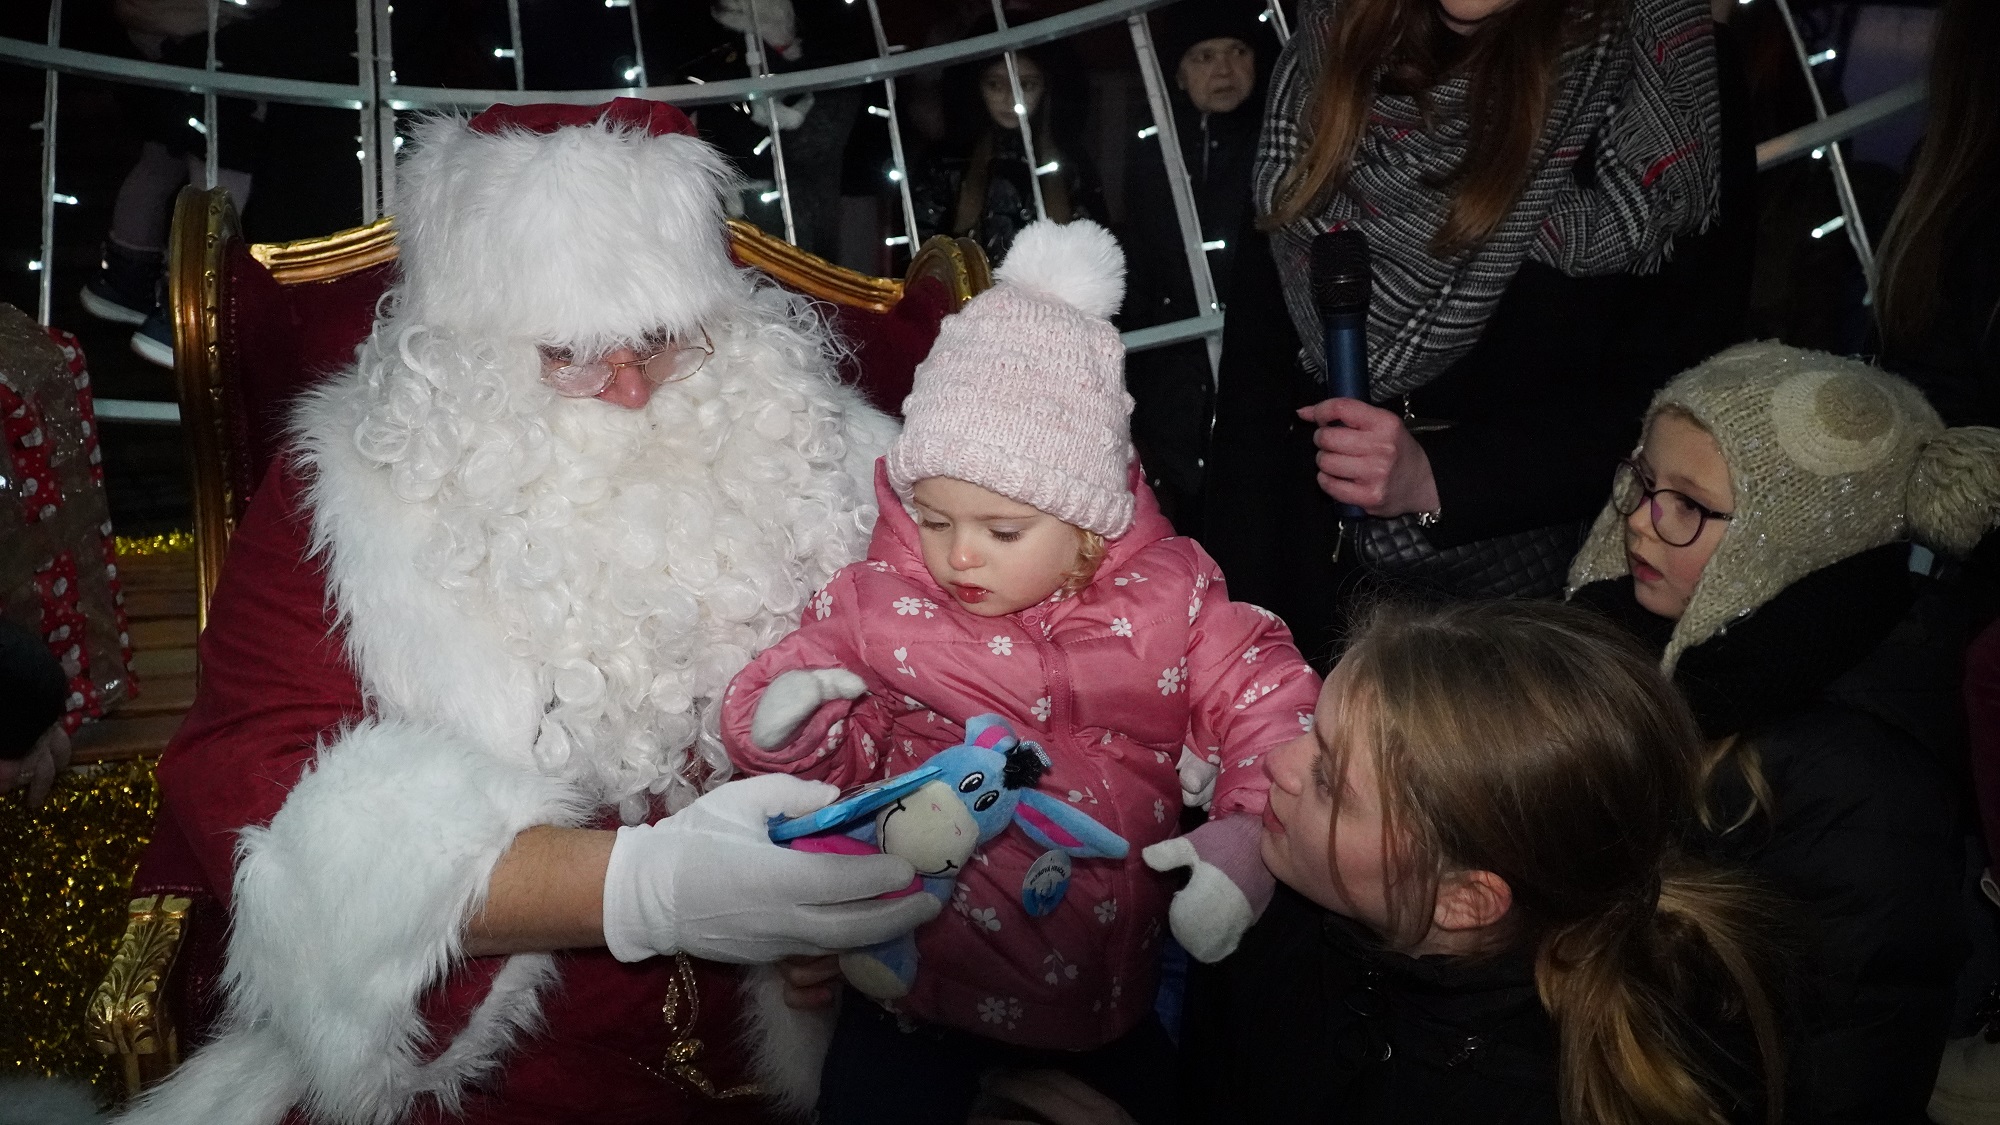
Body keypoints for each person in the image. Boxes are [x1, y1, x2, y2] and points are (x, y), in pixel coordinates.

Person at [114, 99, 942, 1125]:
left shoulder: (844, 457)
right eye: (572, 353)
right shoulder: (347, 490)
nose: (633, 390)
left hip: (844, 1025)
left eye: (663, 338)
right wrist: (641, 888)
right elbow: (260, 787)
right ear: (464, 349)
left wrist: (872, 899)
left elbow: (986, 700)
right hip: (500, 1043)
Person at [720, 220, 1320, 1125]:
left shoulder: (1177, 598)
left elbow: (1271, 704)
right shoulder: (879, 601)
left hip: (1101, 1008)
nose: (959, 554)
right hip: (911, 998)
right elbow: (823, 764)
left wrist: (1244, 836)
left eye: (1002, 532)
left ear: (1085, 524)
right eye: (932, 517)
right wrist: (796, 724)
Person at [1202, 0, 1755, 664]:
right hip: (1311, 596)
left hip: (1534, 623)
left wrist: (1443, 476)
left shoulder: (1657, 65)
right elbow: (1254, 390)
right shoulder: (1331, 49)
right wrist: (1233, 642)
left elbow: (1684, 391)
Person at [1566, 343, 2000, 1122]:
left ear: (1790, 544)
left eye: (1688, 504)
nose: (1638, 519)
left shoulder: (1865, 788)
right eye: (1643, 480)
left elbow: (1851, 1064)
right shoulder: (1646, 649)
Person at [1183, 598, 1783, 1123]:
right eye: (1312, 728)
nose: (1276, 764)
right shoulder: (1291, 912)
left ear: (1462, 900)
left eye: (1328, 779)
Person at [1121, 1, 1272, 530]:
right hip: (1172, 370)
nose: (1225, 69)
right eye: (1205, 56)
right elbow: (1138, 262)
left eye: (1238, 51)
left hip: (1258, 350)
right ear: (1179, 73)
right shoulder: (1151, 150)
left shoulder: (1277, 142)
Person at [910, 40, 1107, 266]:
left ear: (1046, 88)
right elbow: (922, 254)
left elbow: (1094, 253)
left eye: (1026, 85)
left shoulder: (1069, 162)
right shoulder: (949, 161)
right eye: (994, 85)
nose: (1011, 99)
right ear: (976, 86)